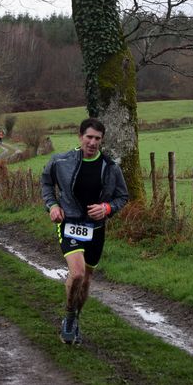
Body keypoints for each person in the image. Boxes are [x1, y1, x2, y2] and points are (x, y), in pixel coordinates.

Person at [41, 118, 129, 345]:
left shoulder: (110, 167)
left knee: (87, 279)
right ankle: (69, 319)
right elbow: (46, 183)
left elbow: (122, 196)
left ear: (102, 140)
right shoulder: (60, 161)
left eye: (97, 138)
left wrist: (107, 208)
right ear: (80, 136)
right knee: (78, 273)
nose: (92, 142)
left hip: (96, 229)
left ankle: (75, 317)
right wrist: (53, 205)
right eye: (89, 137)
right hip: (69, 224)